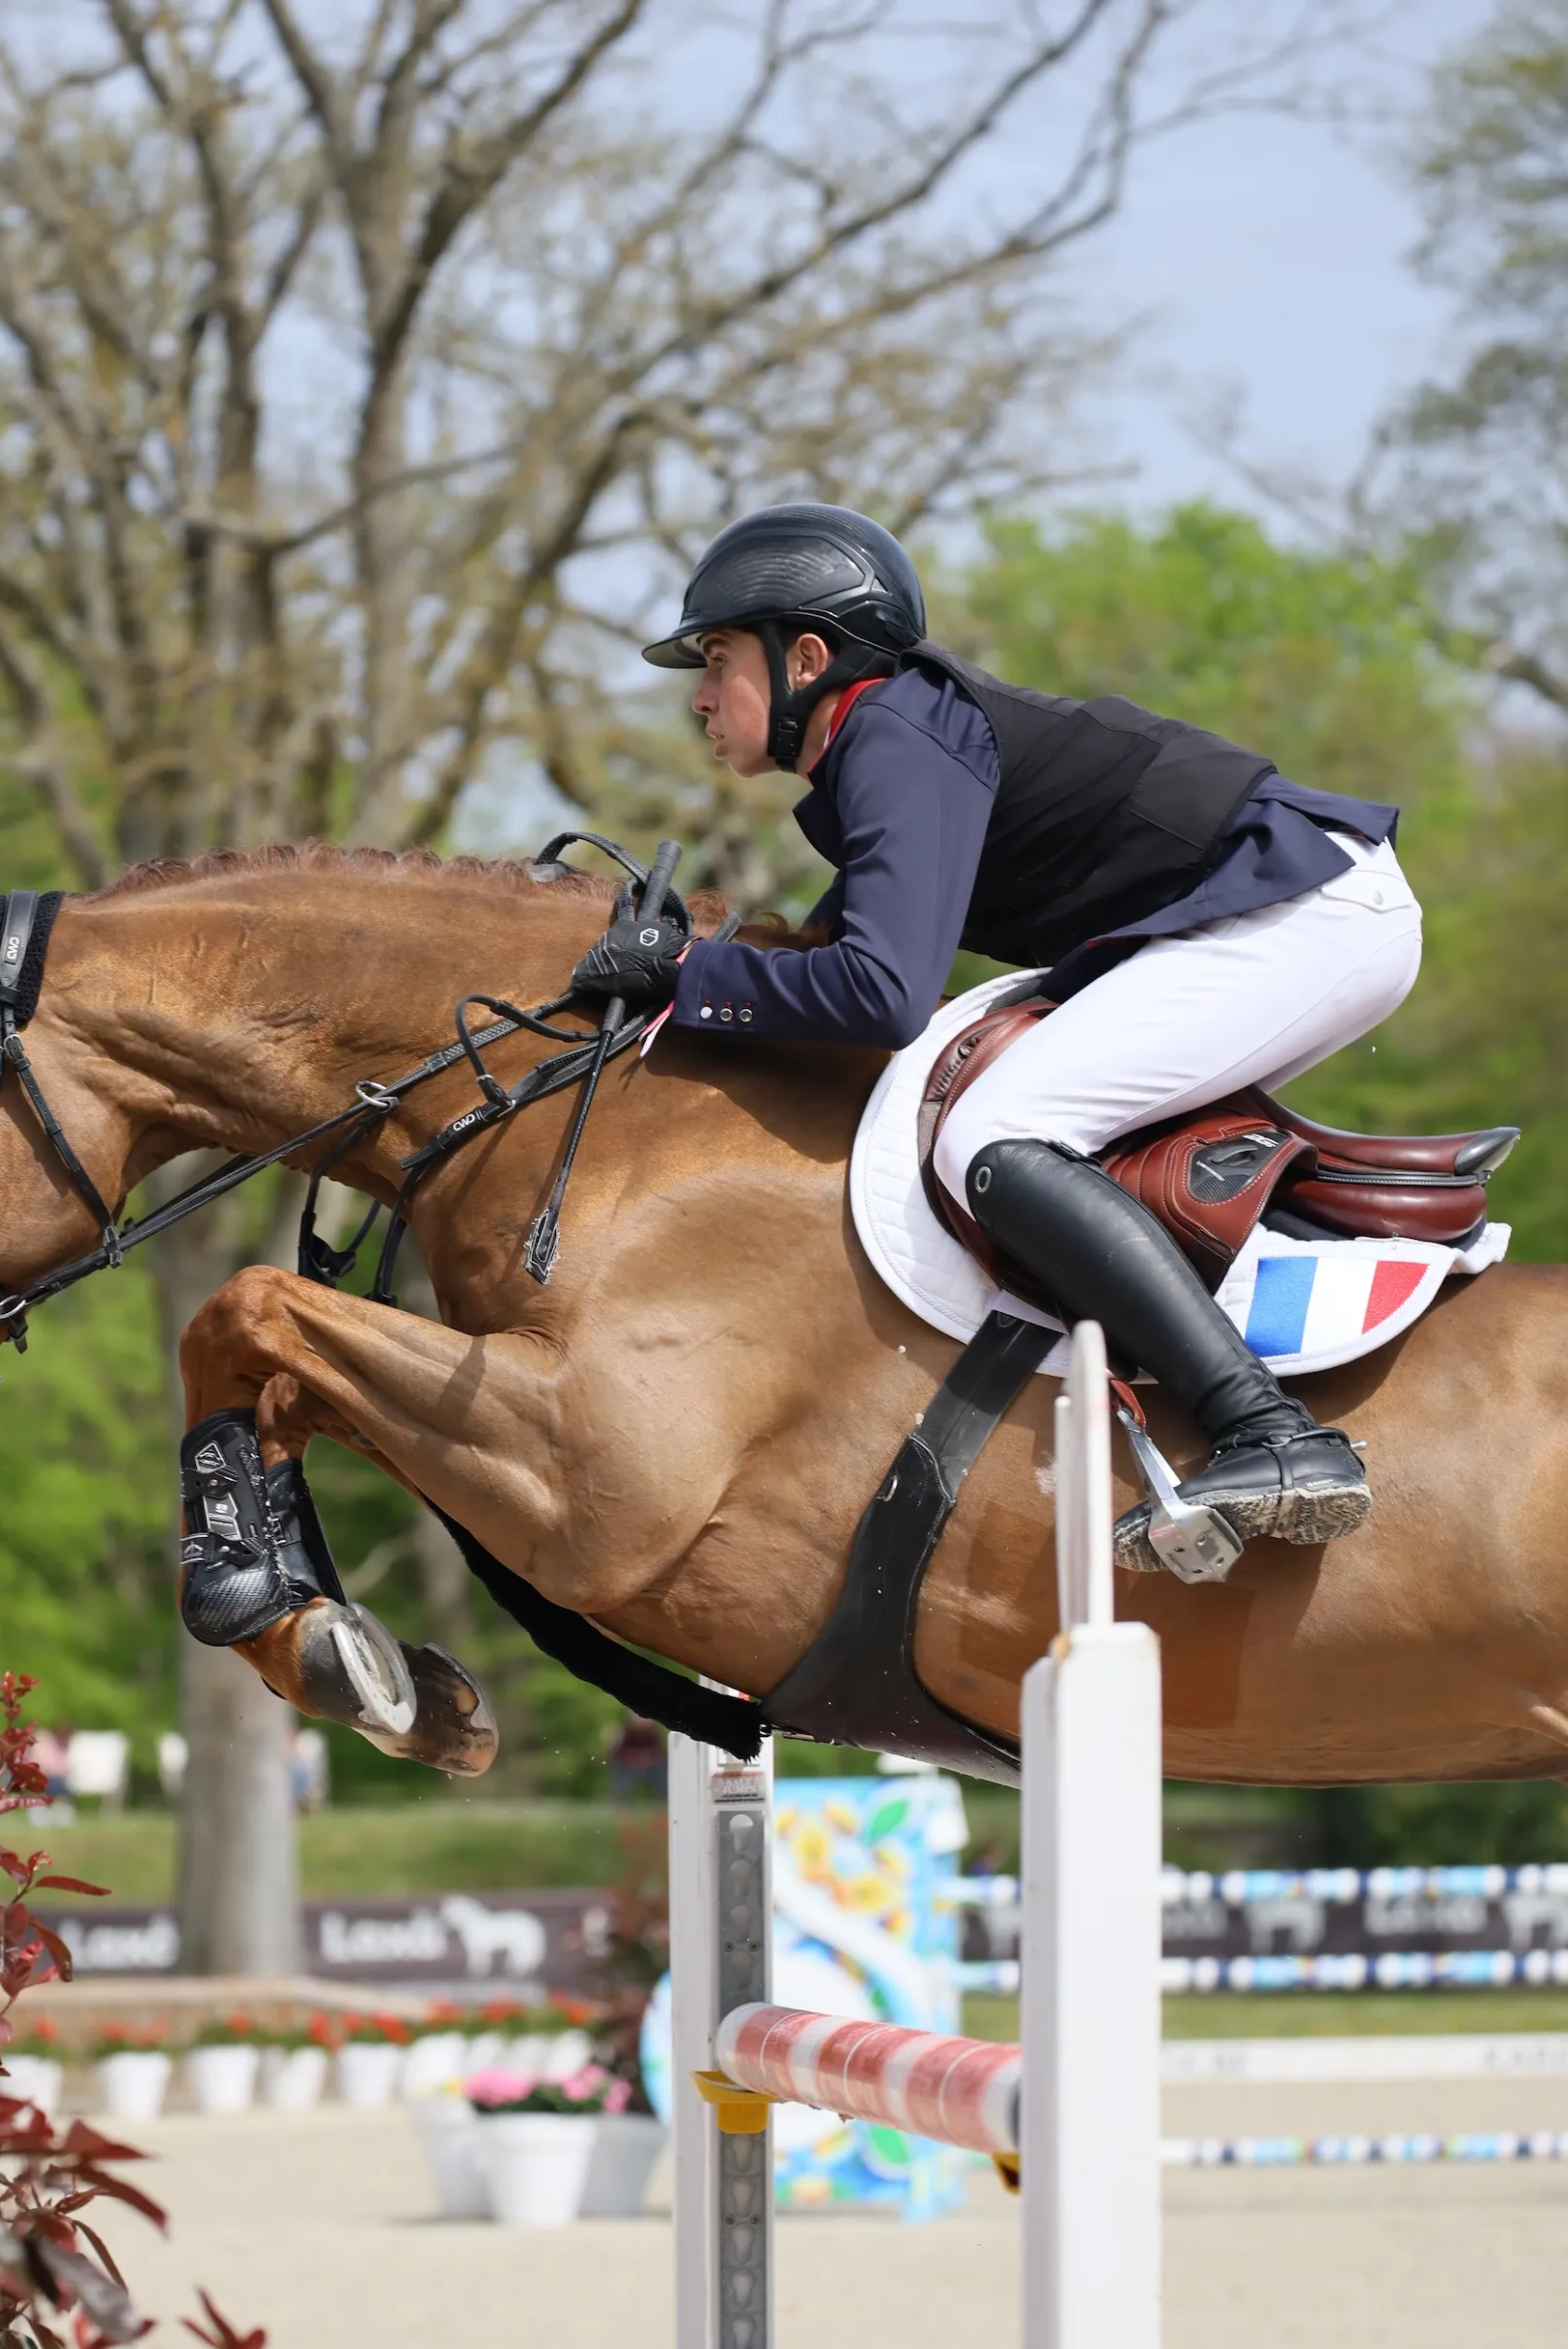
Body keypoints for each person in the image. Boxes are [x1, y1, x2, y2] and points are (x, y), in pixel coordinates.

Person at [571, 502, 1421, 1563]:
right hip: (1284, 913)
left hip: (1305, 911)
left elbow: (878, 994)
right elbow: (822, 968)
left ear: (804, 656)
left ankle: (1269, 1431)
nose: (696, 693)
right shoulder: (890, 738)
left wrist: (685, 974)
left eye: (714, 655)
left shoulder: (892, 731)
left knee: (993, 1130)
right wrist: (688, 971)